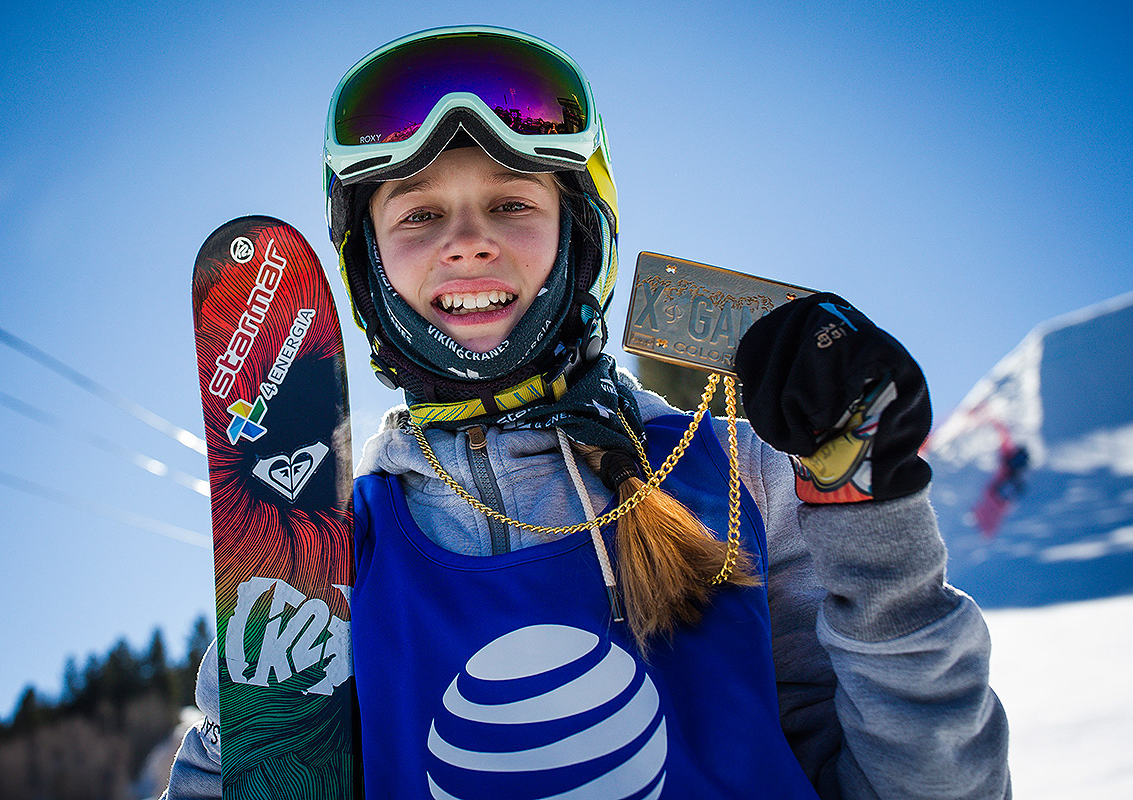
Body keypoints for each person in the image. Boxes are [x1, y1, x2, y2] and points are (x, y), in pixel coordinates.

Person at [165, 25, 1011, 799]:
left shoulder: (737, 477)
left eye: (512, 204)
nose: (467, 240)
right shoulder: (326, 562)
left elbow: (924, 783)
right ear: (367, 264)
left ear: (580, 233)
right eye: (420, 214)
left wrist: (867, 508)